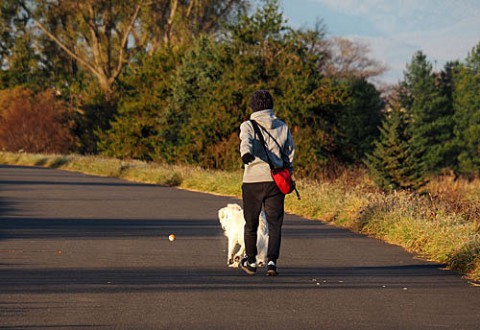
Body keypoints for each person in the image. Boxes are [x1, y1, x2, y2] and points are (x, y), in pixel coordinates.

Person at [239, 90, 294, 276]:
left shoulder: (247, 125)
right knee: (275, 224)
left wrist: (246, 155)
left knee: (251, 223)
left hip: (252, 181)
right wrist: (288, 173)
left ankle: (251, 260)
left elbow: (245, 141)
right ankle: (271, 261)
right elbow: (289, 154)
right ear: (271, 106)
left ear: (253, 106)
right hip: (275, 182)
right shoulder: (282, 126)